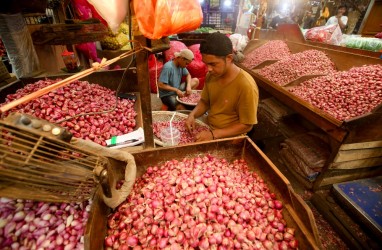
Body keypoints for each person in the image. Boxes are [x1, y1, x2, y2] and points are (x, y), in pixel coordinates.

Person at [186, 32, 259, 142]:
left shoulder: (246, 85)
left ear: (229, 58)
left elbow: (247, 125)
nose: (208, 69)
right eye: (206, 64)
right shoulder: (211, 76)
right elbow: (205, 102)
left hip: (231, 139)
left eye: (213, 64)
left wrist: (213, 134)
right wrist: (192, 115)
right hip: (209, 128)